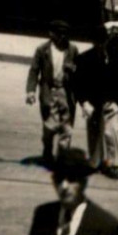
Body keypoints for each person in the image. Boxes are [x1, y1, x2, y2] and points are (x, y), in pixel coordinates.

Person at [74, 21, 118, 178]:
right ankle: (95, 162)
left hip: (113, 101)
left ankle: (113, 163)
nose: (101, 44)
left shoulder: (116, 57)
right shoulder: (84, 58)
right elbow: (79, 83)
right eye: (98, 41)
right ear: (93, 42)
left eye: (103, 41)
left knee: (111, 132)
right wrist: (84, 103)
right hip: (94, 102)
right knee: (94, 132)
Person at [26, 19, 79, 166]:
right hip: (49, 92)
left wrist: (73, 70)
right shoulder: (42, 50)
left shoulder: (72, 49)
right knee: (49, 127)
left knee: (67, 128)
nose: (63, 37)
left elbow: (80, 72)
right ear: (52, 34)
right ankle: (47, 151)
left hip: (66, 92)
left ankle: (63, 157)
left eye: (65, 34)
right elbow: (34, 71)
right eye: (60, 34)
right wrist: (30, 91)